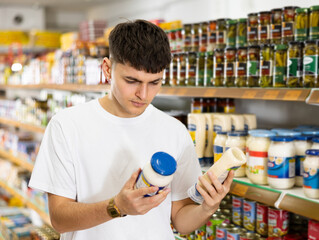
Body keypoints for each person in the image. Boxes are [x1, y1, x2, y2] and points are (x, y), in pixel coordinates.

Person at [29, 19, 234, 240]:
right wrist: (116, 207)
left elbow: (181, 221)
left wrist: (207, 208)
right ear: (107, 69)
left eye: (154, 82)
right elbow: (60, 220)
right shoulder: (67, 125)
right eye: (132, 80)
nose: (143, 94)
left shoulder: (175, 131)